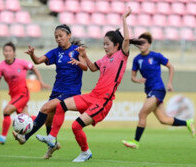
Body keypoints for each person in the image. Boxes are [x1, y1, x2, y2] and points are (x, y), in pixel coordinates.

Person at [35, 7, 144, 162]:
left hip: (104, 101)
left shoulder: (122, 56)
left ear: (117, 46)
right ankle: (52, 138)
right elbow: (92, 68)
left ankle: (85, 152)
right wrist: (84, 57)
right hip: (92, 96)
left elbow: (126, 39)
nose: (104, 47)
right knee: (60, 106)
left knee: (76, 126)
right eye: (103, 44)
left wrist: (124, 19)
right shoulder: (104, 59)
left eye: (107, 44)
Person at [12, 24, 88, 150]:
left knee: (45, 108)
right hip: (57, 90)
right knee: (48, 119)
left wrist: (79, 62)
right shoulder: (55, 52)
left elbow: (85, 67)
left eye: (61, 36)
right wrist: (32, 54)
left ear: (68, 36)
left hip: (71, 91)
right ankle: (52, 145)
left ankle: (25, 137)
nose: (58, 38)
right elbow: (37, 61)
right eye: (56, 37)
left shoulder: (76, 50)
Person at [121, 32, 196, 149]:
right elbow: (132, 77)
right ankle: (187, 122)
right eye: (139, 43)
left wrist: (169, 83)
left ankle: (135, 142)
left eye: (143, 43)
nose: (141, 45)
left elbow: (171, 66)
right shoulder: (137, 59)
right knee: (164, 120)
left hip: (158, 89)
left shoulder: (156, 56)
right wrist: (137, 80)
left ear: (149, 44)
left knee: (142, 113)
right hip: (149, 92)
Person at [0, 42, 50, 144]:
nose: (7, 53)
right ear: (3, 53)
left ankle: (2, 137)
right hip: (14, 95)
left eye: (10, 51)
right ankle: (45, 119)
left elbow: (34, 68)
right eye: (5, 51)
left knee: (6, 111)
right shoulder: (1, 66)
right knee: (27, 118)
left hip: (23, 94)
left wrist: (41, 82)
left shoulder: (21, 62)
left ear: (14, 53)